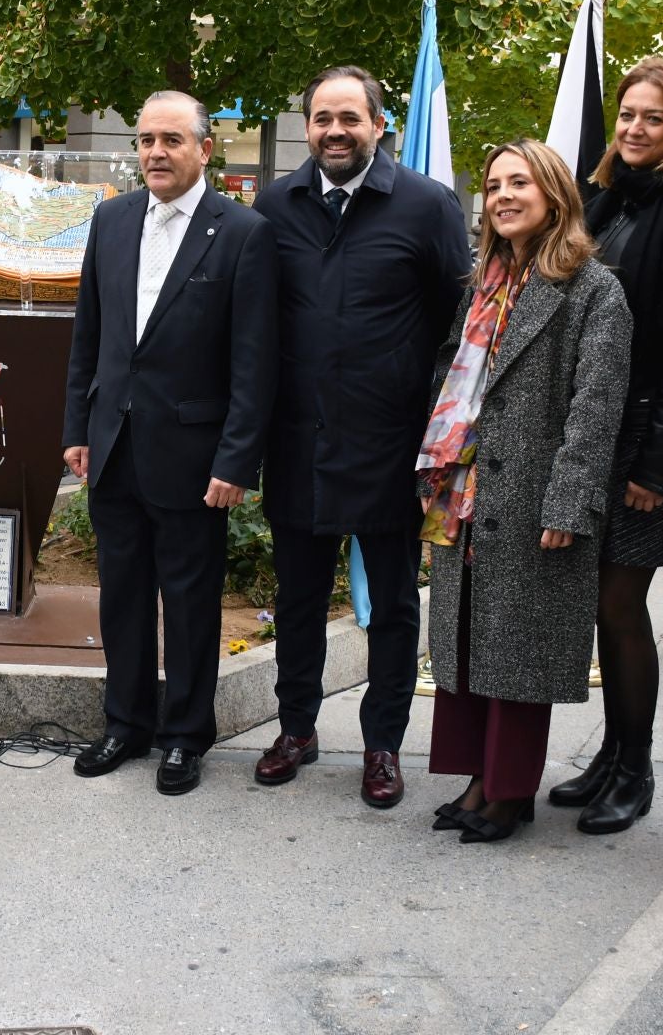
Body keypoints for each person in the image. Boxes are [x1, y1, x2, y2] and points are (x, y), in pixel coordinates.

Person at [252, 66, 471, 806]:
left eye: (350, 118)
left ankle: (383, 746)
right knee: (300, 598)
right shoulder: (274, 205)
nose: (335, 131)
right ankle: (297, 728)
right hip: (297, 443)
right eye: (321, 118)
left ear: (381, 126)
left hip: (390, 446)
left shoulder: (428, 206)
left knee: (393, 611)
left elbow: (456, 325)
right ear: (306, 126)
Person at [61, 92, 276, 795]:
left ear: (204, 150)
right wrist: (77, 432)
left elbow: (254, 362)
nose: (155, 152)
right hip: (114, 447)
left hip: (194, 460)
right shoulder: (113, 219)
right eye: (147, 139)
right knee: (121, 597)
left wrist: (236, 459)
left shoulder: (243, 231)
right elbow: (87, 339)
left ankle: (185, 736)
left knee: (189, 603)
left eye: (172, 140)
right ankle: (125, 723)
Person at [542, 58, 663, 834]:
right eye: (627, 115)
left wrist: (656, 465)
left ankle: (637, 767)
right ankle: (611, 755)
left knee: (621, 605)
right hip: (591, 435)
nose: (633, 129)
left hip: (650, 445)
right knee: (599, 603)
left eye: (652, 118)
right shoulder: (602, 204)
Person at [418, 139, 631, 843]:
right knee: (473, 638)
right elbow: (454, 377)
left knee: (517, 649)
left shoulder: (594, 289)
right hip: (469, 493)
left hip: (536, 495)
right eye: (495, 184)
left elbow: (595, 407)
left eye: (521, 182)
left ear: (555, 196)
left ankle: (507, 793)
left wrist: (570, 502)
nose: (505, 195)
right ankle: (480, 778)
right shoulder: (485, 280)